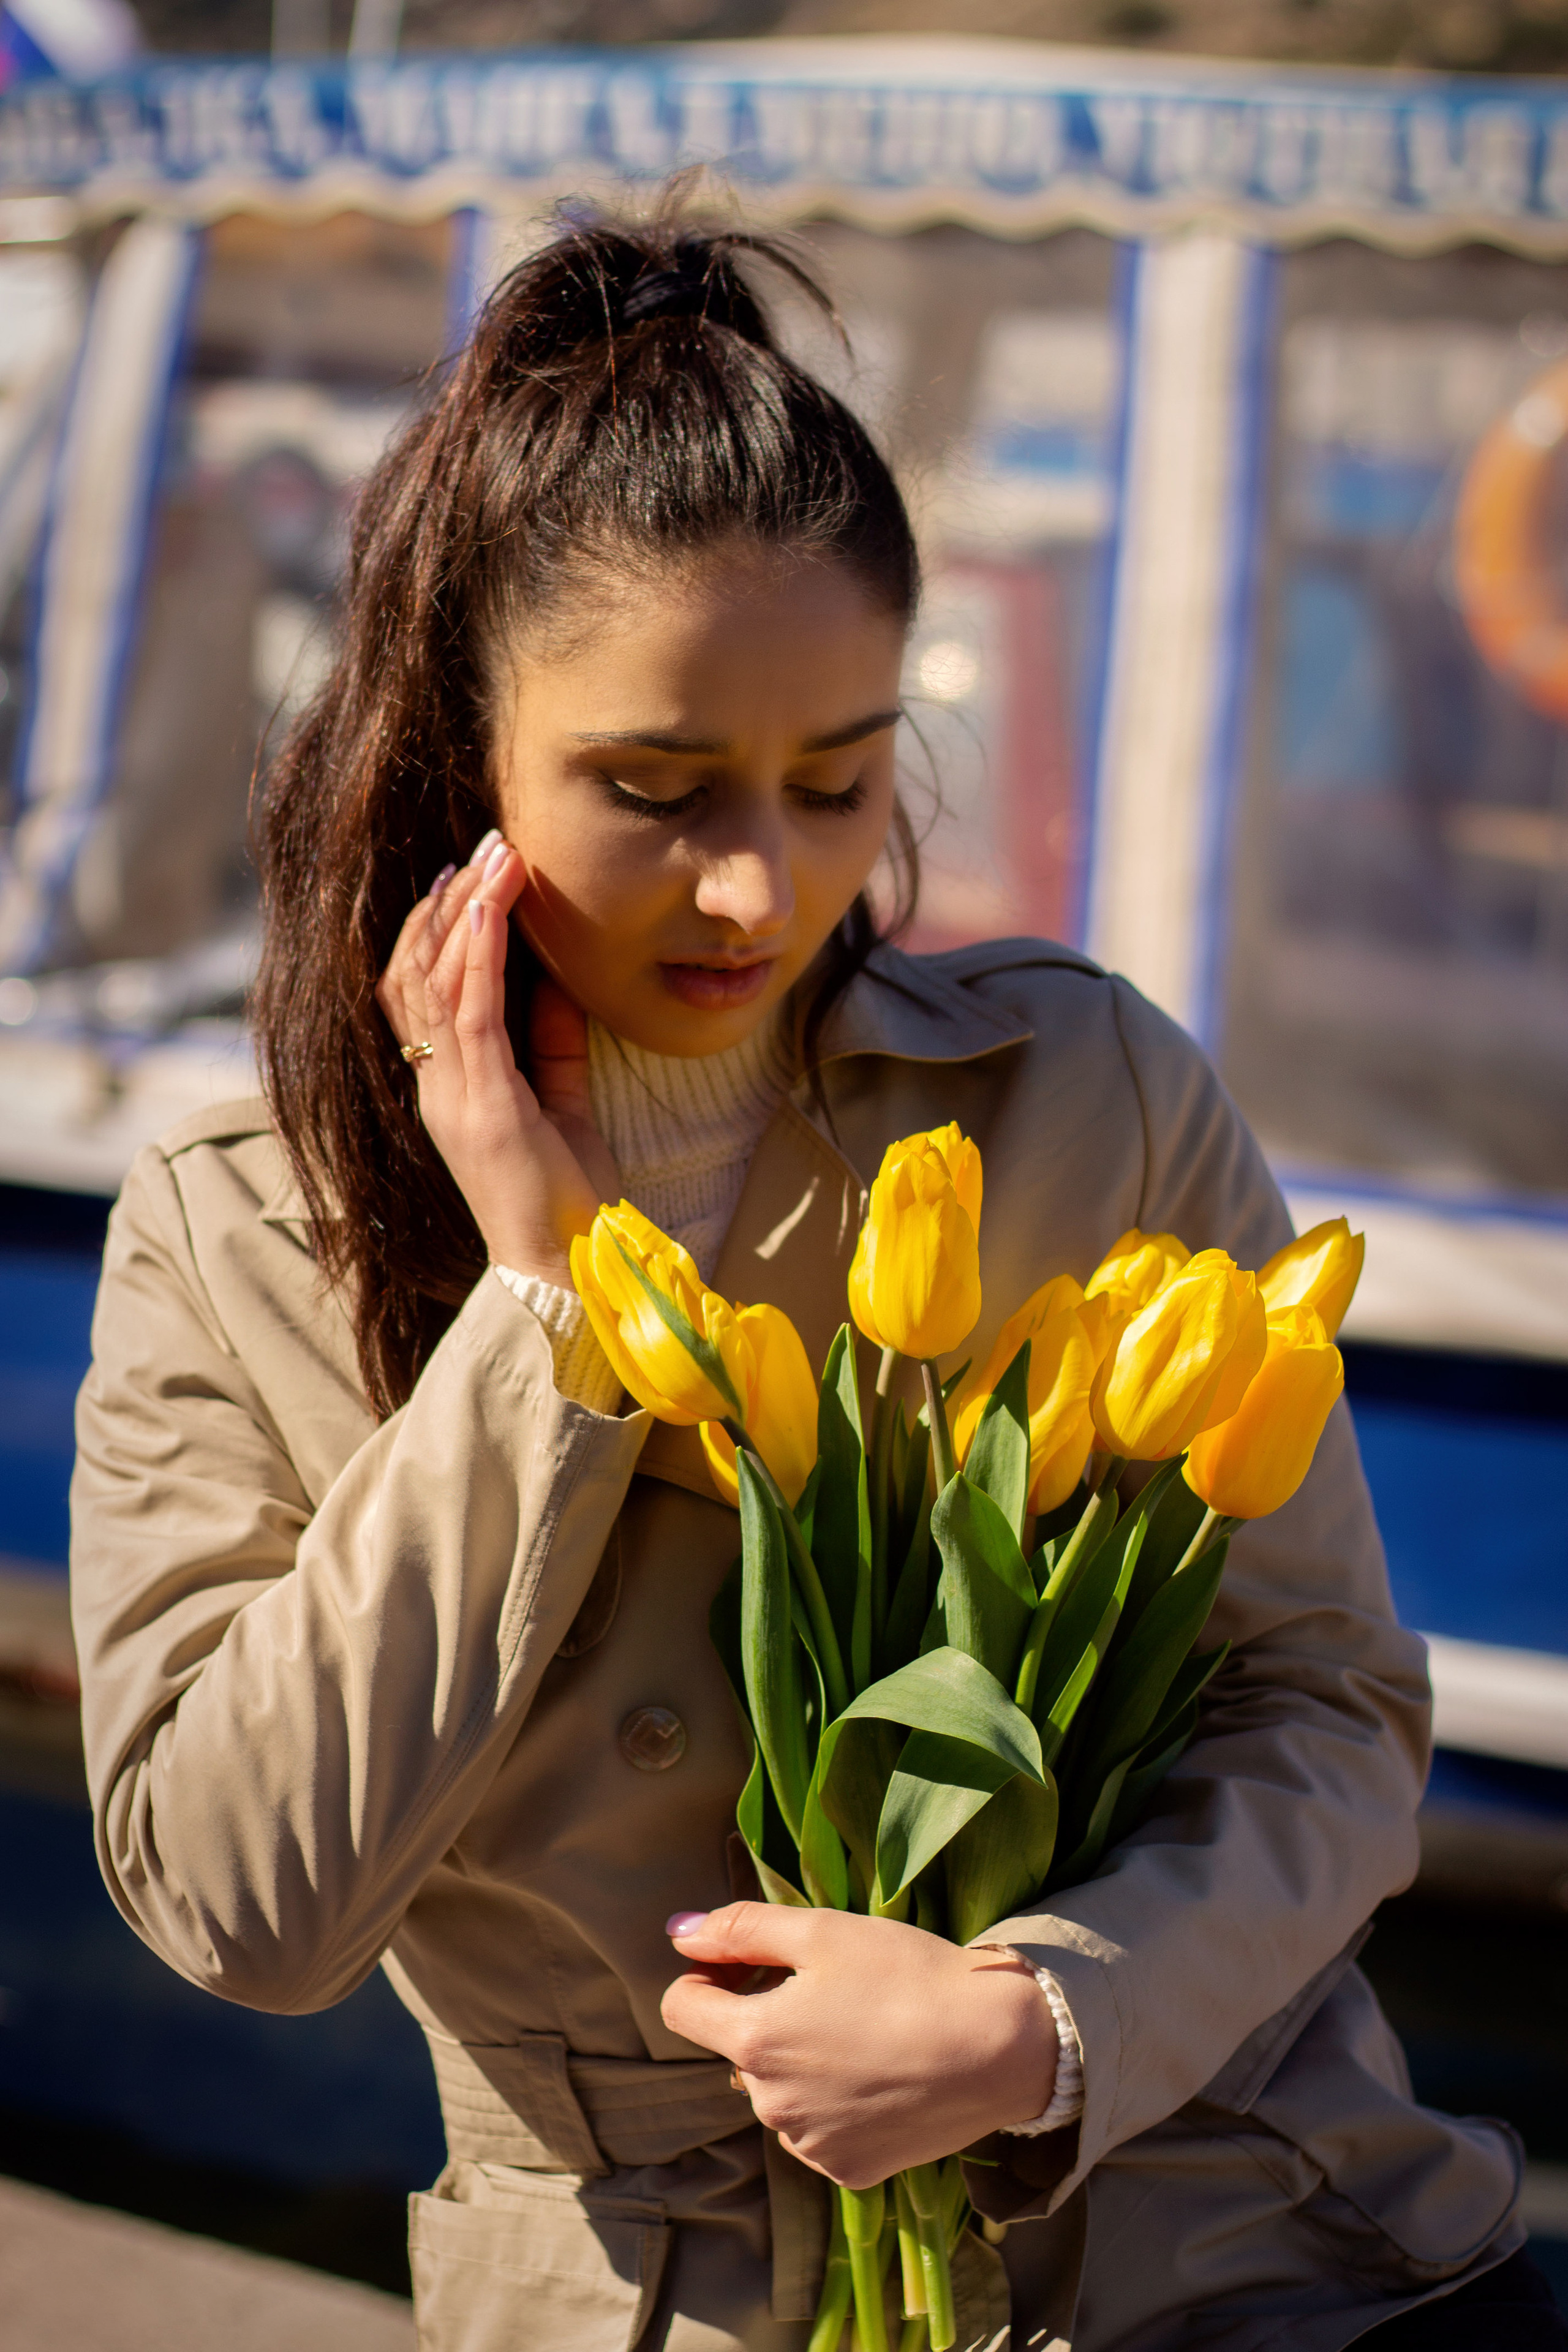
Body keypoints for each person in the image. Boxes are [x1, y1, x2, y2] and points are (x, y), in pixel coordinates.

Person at [69, 208, 1561, 2352]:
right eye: (653, 791)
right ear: (452, 753)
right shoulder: (235, 1240)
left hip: (1227, 2253)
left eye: (839, 777)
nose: (760, 881)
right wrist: (537, 1309)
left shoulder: (1087, 1094)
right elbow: (241, 1906)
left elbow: (1328, 1702)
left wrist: (1034, 2024)